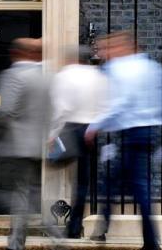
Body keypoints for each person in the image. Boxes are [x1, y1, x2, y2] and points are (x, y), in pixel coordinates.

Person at [85, 31, 162, 250]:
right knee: (123, 184)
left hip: (132, 134)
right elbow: (159, 102)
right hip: (148, 132)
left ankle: (109, 232)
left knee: (131, 187)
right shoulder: (152, 67)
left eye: (106, 49)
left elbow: (120, 103)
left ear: (121, 47)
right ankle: (106, 228)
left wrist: (95, 126)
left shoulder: (122, 68)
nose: (103, 54)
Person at [0, 38, 60, 250]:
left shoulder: (14, 75)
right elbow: (53, 111)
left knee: (5, 192)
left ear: (19, 53)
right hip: (37, 146)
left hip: (15, 145)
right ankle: (32, 238)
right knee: (28, 194)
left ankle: (31, 239)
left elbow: (3, 111)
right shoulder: (47, 78)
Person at [48, 46, 109, 238]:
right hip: (91, 130)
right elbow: (105, 107)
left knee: (56, 167)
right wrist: (95, 128)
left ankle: (67, 225)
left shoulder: (64, 75)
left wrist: (52, 134)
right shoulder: (98, 76)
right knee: (84, 181)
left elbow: (60, 109)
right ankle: (75, 227)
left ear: (72, 58)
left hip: (71, 128)